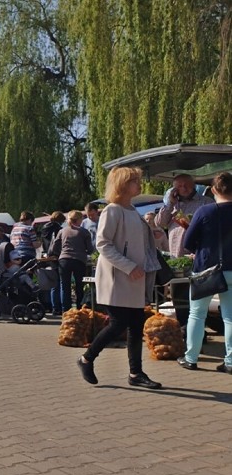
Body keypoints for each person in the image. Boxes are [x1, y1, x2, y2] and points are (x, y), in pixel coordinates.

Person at [77, 166, 161, 389]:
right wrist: (128, 266)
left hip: (133, 277)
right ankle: (87, 358)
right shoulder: (112, 210)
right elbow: (103, 243)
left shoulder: (133, 210)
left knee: (135, 324)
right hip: (118, 277)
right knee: (118, 324)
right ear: (122, 185)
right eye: (134, 181)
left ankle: (135, 373)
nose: (139, 184)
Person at [178, 172, 232, 372]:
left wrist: (198, 251)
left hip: (206, 270)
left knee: (197, 314)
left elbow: (188, 242)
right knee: (230, 317)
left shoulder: (204, 211)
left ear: (214, 190)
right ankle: (230, 362)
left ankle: (191, 358)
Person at [157, 173, 214, 257]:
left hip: (196, 254)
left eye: (187, 185)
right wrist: (170, 204)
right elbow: (160, 223)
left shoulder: (206, 202)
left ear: (194, 185)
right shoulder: (172, 205)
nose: (184, 188)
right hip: (175, 253)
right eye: (179, 186)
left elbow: (212, 228)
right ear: (174, 189)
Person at [51, 210, 94, 311]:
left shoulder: (62, 231)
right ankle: (79, 309)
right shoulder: (84, 232)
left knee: (65, 286)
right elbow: (90, 249)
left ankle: (65, 310)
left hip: (64, 260)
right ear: (79, 220)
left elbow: (54, 247)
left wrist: (60, 253)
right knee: (79, 286)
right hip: (79, 260)